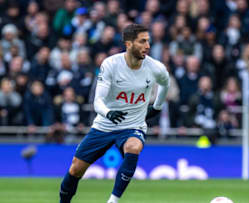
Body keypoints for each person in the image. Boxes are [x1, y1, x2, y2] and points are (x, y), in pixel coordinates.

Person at [59, 24, 170, 203]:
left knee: (134, 147)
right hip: (104, 125)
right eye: (142, 41)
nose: (147, 46)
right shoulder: (111, 64)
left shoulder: (155, 68)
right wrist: (108, 113)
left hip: (133, 126)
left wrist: (157, 107)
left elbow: (166, 83)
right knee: (75, 170)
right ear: (128, 44)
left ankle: (113, 201)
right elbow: (97, 101)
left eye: (148, 41)